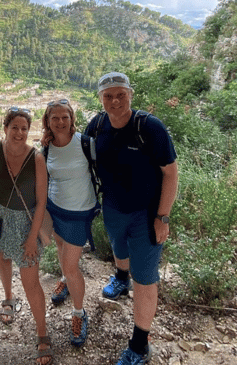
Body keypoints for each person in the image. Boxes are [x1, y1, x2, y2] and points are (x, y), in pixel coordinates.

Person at [85, 72, 178, 365]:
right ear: (100, 98)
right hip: (112, 207)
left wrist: (162, 217)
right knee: (118, 248)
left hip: (146, 214)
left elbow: (170, 172)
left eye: (120, 94)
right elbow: (78, 154)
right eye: (108, 96)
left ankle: (139, 345)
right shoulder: (97, 125)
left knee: (146, 278)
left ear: (131, 94)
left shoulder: (149, 127)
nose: (115, 101)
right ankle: (121, 278)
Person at [0, 107, 53, 365]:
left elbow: (41, 201)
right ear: (5, 128)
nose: (19, 132)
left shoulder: (35, 159)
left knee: (31, 280)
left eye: (24, 128)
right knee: (3, 257)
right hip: (0, 214)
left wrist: (31, 238)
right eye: (15, 127)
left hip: (26, 222)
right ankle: (7, 299)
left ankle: (42, 332)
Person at [40, 99, 98, 347]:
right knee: (61, 248)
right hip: (55, 209)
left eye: (65, 117)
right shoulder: (46, 148)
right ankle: (64, 279)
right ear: (48, 122)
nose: (61, 122)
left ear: (72, 119)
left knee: (72, 266)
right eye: (55, 118)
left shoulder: (85, 144)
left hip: (79, 212)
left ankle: (79, 312)